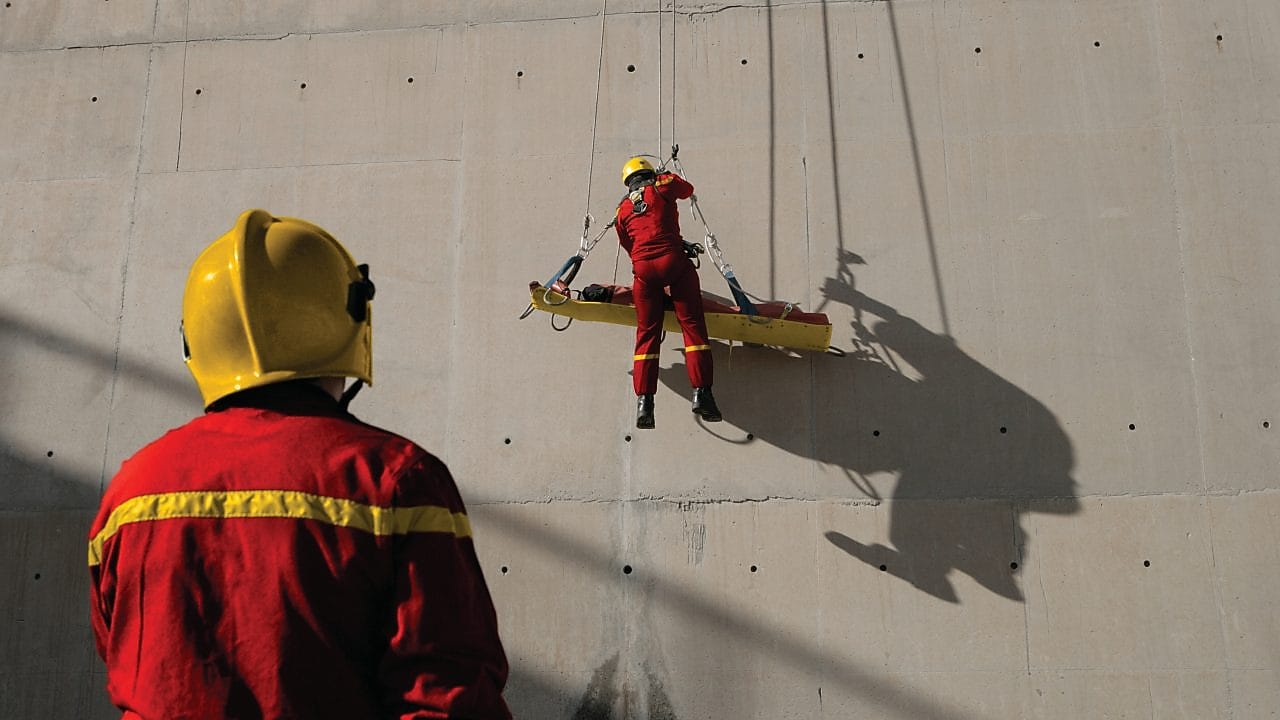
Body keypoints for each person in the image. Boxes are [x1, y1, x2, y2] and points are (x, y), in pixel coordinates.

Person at [87, 209, 511, 719]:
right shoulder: (396, 481)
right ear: (351, 317)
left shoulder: (131, 493)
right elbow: (447, 697)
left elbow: (124, 660)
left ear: (193, 340)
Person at [614, 156, 722, 429]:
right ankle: (702, 394)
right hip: (673, 262)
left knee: (647, 335)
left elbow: (628, 244)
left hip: (643, 271)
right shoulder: (664, 185)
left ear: (628, 182)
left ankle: (645, 403)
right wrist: (667, 174)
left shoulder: (622, 209)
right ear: (650, 173)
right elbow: (687, 189)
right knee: (692, 326)